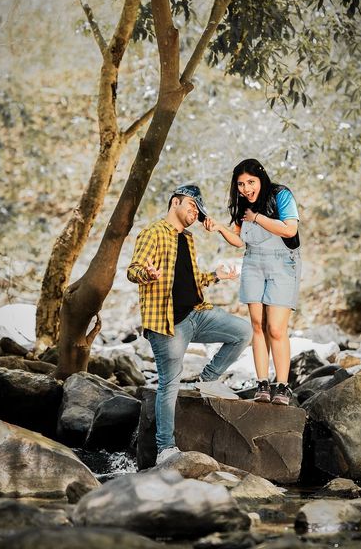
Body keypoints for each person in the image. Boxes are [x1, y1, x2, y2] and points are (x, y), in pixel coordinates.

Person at [127, 184, 252, 465]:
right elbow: (133, 270)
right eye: (191, 206)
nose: (195, 212)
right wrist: (146, 273)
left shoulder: (188, 238)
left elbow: (191, 281)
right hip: (166, 322)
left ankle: (206, 380)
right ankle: (165, 449)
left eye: (198, 209)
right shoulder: (153, 232)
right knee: (168, 384)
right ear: (175, 203)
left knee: (243, 332)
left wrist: (216, 276)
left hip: (197, 314)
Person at [204, 159, 302, 406]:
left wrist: (256, 217)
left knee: (276, 329)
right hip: (253, 263)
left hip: (283, 264)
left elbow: (289, 230)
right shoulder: (241, 206)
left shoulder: (281, 195)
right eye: (240, 184)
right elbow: (239, 241)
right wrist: (219, 228)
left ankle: (283, 385)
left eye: (250, 182)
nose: (246, 189)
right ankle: (262, 383)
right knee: (258, 325)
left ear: (261, 179)